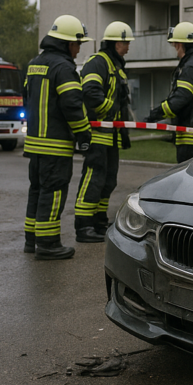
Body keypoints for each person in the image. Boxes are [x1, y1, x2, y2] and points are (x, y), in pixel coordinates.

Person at [23, 15, 93, 261]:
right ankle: (49, 244)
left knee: (37, 190)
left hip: (35, 144)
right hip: (55, 146)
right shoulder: (63, 68)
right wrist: (84, 133)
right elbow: (73, 105)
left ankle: (31, 241)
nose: (78, 49)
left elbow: (26, 99)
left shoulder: (35, 64)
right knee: (53, 193)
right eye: (78, 44)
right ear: (66, 43)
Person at [73, 21, 134, 243]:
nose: (128, 47)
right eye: (125, 42)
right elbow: (90, 92)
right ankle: (83, 225)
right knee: (93, 179)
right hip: (97, 134)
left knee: (108, 181)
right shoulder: (98, 62)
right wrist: (111, 111)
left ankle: (99, 221)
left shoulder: (115, 65)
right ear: (114, 43)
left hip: (111, 137)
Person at [144, 22, 193, 162]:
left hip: (192, 140)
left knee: (189, 182)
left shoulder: (191, 67)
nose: (176, 50)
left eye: (175, 46)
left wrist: (153, 115)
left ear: (180, 45)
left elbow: (179, 100)